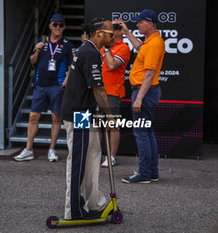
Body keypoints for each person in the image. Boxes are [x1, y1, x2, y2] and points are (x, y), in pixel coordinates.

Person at [61, 17, 114, 220]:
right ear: (100, 34)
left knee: (92, 155)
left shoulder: (88, 49)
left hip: (83, 112)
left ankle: (94, 203)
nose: (114, 36)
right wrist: (109, 115)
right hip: (78, 114)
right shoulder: (90, 52)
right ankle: (73, 210)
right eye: (111, 33)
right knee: (78, 160)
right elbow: (98, 89)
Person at [14, 13, 74, 162]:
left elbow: (71, 66)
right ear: (50, 26)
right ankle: (28, 149)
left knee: (55, 117)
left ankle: (51, 149)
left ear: (64, 27)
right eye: (55, 25)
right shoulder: (42, 42)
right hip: (40, 85)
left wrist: (66, 80)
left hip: (57, 86)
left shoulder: (67, 44)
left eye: (61, 25)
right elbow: (32, 61)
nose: (58, 27)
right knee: (33, 116)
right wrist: (38, 49)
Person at [119, 9, 165, 184]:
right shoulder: (151, 41)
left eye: (140, 22)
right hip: (147, 92)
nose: (137, 24)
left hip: (144, 92)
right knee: (147, 132)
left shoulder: (154, 44)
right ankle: (151, 172)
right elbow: (139, 47)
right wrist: (127, 32)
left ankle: (145, 173)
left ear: (150, 24)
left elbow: (149, 74)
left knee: (141, 133)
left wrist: (139, 98)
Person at [97, 19, 131, 167]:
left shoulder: (123, 48)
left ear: (119, 31)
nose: (110, 30)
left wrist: (108, 48)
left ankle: (112, 157)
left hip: (112, 92)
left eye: (114, 27)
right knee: (97, 124)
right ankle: (96, 154)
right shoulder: (102, 47)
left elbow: (111, 65)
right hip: (98, 90)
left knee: (112, 125)